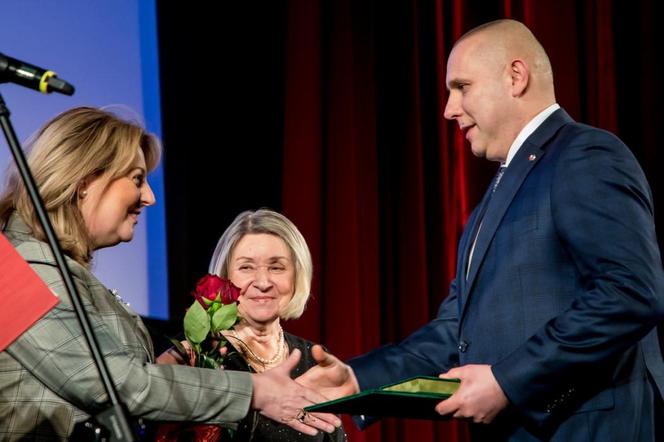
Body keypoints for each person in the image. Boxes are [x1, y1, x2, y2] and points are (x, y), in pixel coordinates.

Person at [298, 19, 664, 441]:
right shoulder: (492, 197)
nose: (449, 109)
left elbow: (630, 292)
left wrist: (507, 380)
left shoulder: (584, 155)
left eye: (462, 87)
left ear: (515, 77)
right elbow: (455, 333)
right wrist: (358, 381)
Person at [0, 107, 340, 440]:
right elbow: (115, 385)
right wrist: (254, 391)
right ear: (84, 181)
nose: (149, 197)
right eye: (136, 179)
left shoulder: (53, 271)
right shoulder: (24, 272)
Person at [158, 209, 347, 441]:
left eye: (276, 267)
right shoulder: (195, 354)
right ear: (226, 276)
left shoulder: (315, 360)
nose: (263, 282)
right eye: (246, 267)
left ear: (297, 276)